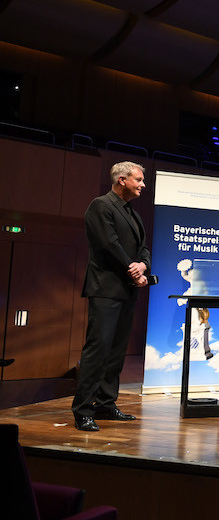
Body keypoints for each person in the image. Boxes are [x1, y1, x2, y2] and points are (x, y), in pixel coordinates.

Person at [72, 161, 152, 431]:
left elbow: (143, 247)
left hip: (127, 290)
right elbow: (109, 244)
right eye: (138, 180)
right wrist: (133, 269)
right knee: (98, 350)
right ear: (122, 180)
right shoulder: (101, 205)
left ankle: (106, 404)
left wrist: (143, 265)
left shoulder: (133, 213)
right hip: (106, 289)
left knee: (116, 352)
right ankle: (83, 410)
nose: (143, 185)